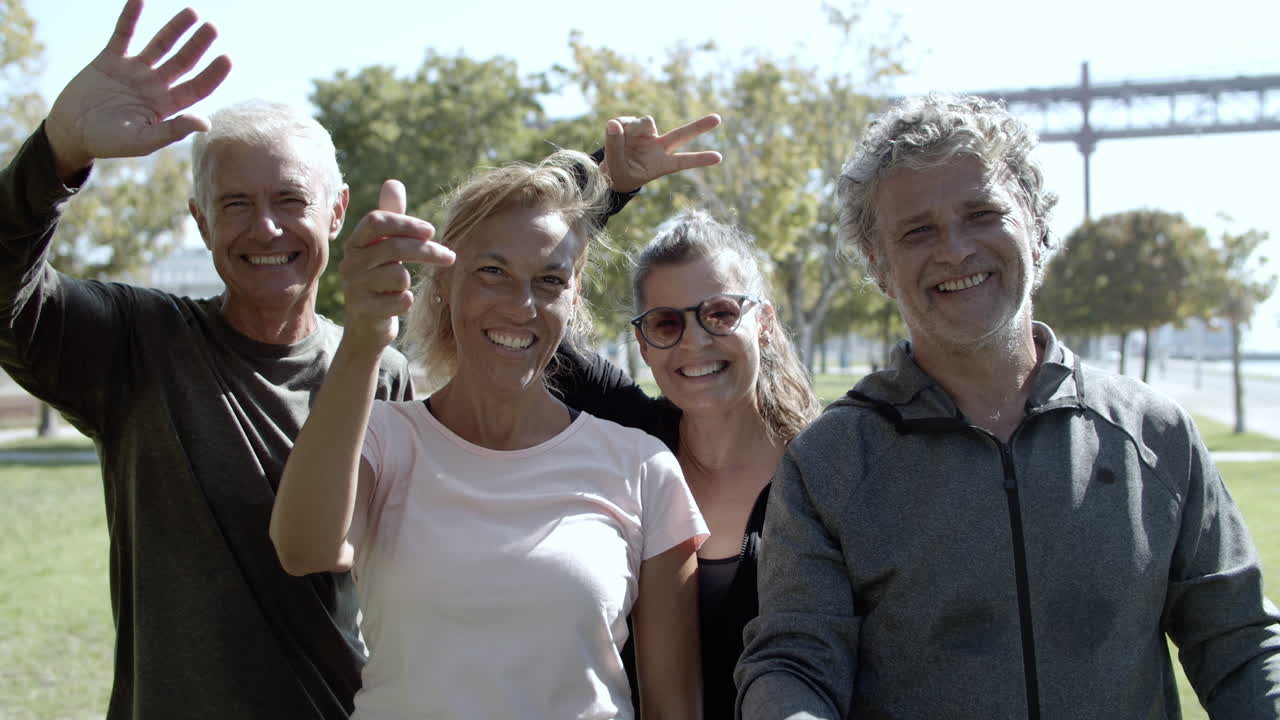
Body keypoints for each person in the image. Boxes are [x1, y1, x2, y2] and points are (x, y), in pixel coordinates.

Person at [734, 93, 1280, 719]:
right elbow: (794, 662)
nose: (956, 249)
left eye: (982, 213)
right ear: (879, 267)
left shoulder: (1155, 434)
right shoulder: (829, 461)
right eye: (918, 231)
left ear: (1039, 230)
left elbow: (1241, 646)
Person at [1, 3, 416, 716]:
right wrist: (56, 152)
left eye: (291, 199)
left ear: (336, 210)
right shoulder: (135, 342)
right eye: (234, 204)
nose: (266, 227)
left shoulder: (382, 370)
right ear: (198, 217)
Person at [270, 150, 708, 719]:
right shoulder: (380, 438)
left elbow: (676, 709)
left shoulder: (643, 467)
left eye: (548, 280)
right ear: (445, 282)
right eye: (492, 272)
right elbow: (303, 549)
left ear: (573, 294)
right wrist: (364, 337)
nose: (520, 305)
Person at [553, 210, 819, 718]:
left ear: (762, 322)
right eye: (666, 323)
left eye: (719, 314)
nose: (694, 342)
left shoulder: (824, 467)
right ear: (643, 344)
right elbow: (531, 302)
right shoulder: (632, 437)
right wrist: (608, 185)